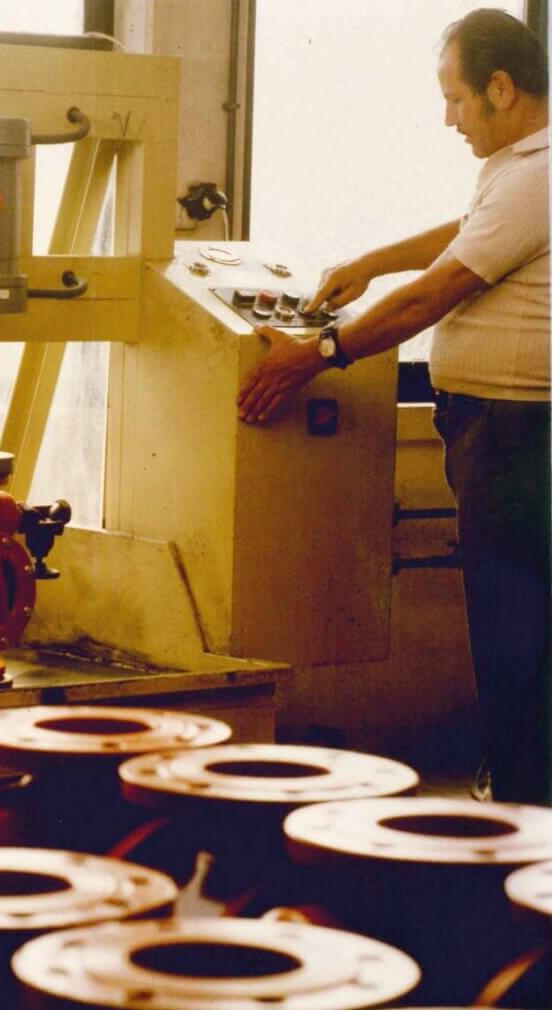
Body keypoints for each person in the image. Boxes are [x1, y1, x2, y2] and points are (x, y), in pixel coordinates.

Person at [237, 8, 549, 805]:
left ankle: (524, 808)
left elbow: (434, 294)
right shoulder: (520, 171)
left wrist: (319, 354)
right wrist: (373, 261)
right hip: (501, 431)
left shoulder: (541, 173)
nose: (448, 119)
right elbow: (468, 230)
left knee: (515, 628)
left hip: (519, 437)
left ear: (501, 89)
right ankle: (520, 790)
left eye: (455, 99)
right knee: (513, 623)